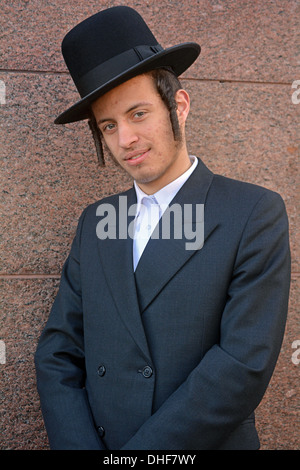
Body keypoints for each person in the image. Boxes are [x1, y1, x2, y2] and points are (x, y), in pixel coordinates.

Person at [35, 6, 291, 450]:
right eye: (108, 125)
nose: (125, 140)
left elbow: (241, 364)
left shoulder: (253, 212)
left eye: (138, 114)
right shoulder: (96, 222)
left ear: (179, 105)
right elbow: (58, 354)